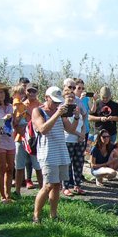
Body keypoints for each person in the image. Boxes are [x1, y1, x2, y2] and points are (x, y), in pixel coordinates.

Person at [31, 87, 76, 224]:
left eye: (58, 102)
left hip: (61, 152)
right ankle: (36, 216)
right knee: (48, 185)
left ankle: (53, 215)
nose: (57, 104)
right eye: (54, 101)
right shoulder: (38, 111)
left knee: (57, 185)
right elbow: (43, 129)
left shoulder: (60, 111)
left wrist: (77, 117)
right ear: (46, 98)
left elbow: (71, 130)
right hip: (47, 153)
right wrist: (57, 114)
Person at [61, 82, 86, 197]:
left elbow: (83, 121)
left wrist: (83, 134)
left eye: (72, 97)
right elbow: (67, 127)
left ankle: (78, 185)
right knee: (67, 164)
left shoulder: (77, 107)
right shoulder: (63, 109)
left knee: (79, 163)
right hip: (68, 139)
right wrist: (79, 134)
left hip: (79, 140)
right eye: (69, 97)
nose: (71, 99)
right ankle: (65, 187)